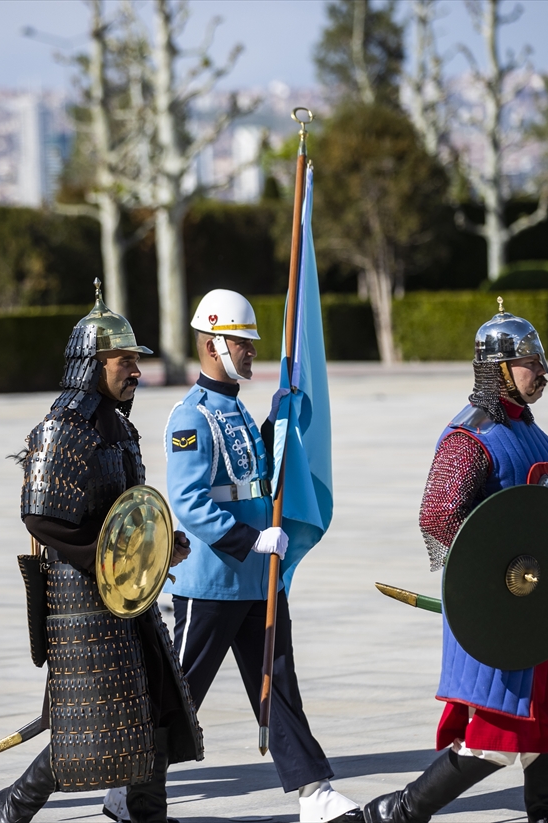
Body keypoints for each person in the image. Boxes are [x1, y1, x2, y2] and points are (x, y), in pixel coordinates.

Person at [363, 301, 548, 823]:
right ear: (498, 367)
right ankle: (397, 812)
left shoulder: (537, 436)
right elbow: (438, 517)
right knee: (494, 738)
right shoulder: (469, 436)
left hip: (542, 617)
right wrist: (493, 580)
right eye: (531, 363)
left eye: (540, 362)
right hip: (498, 619)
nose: (542, 373)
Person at [0, 281, 203, 823]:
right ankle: (12, 804)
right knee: (87, 719)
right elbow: (40, 515)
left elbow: (126, 514)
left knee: (154, 694)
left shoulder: (121, 429)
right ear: (92, 363)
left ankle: (144, 813)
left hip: (126, 594)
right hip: (81, 600)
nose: (135, 371)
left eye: (136, 361)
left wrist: (157, 549)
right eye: (124, 361)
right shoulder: (66, 428)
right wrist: (102, 561)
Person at [160, 289, 362, 823]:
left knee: (279, 682)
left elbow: (256, 479)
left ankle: (313, 792)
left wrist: (277, 421)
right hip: (212, 582)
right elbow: (189, 503)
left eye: (251, 342)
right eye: (241, 342)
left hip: (258, 578)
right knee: (180, 694)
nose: (251, 351)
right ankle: (131, 792)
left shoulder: (238, 411)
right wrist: (249, 540)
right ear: (211, 345)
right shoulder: (191, 417)